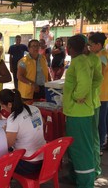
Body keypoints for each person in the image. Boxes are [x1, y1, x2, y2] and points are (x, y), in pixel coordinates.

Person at [63, 35, 94, 187]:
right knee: (76, 148)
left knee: (81, 150)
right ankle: (76, 177)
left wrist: (78, 96)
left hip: (78, 113)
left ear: (69, 48)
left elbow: (86, 82)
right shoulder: (82, 60)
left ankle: (85, 183)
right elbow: (97, 79)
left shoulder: (80, 61)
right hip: (77, 112)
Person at [0, 89, 45, 175]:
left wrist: (5, 132)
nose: (2, 109)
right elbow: (42, 123)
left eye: (3, 106)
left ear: (9, 104)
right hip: (45, 159)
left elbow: (8, 143)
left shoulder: (13, 118)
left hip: (29, 164)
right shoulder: (34, 109)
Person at [82, 34, 103, 178]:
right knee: (85, 139)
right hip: (85, 105)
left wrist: (81, 95)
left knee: (93, 138)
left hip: (93, 104)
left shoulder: (97, 58)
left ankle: (95, 169)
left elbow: (96, 80)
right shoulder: (82, 58)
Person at [88, 33, 108, 154]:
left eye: (91, 45)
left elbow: (98, 74)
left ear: (98, 45)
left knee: (100, 120)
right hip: (104, 93)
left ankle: (99, 145)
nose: (89, 48)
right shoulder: (102, 54)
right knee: (104, 119)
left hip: (101, 94)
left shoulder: (101, 56)